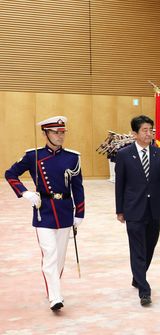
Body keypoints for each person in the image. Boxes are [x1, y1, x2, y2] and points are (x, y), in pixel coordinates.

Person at [5, 116, 84, 311]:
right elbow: (10, 173)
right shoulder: (33, 155)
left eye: (62, 132)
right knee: (50, 253)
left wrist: (80, 213)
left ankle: (52, 287)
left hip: (65, 210)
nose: (60, 136)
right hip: (44, 211)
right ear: (45, 133)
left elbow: (78, 187)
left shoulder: (73, 157)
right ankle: (56, 297)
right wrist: (25, 193)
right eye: (56, 132)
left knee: (60, 256)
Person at [115, 115, 160, 306]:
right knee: (137, 249)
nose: (149, 133)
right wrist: (120, 210)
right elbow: (120, 184)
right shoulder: (124, 154)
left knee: (150, 247)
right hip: (133, 209)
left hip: (154, 209)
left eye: (151, 129)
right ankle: (144, 290)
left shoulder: (158, 153)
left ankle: (138, 276)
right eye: (144, 130)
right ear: (134, 133)